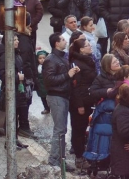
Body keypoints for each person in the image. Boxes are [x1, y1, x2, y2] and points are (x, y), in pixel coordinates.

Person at [42, 33, 78, 171]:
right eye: (62, 39)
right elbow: (49, 80)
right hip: (56, 97)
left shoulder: (61, 57)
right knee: (59, 130)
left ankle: (61, 160)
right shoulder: (51, 59)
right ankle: (54, 161)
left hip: (63, 96)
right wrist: (67, 75)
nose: (65, 41)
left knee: (62, 130)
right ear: (56, 43)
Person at [69, 36, 98, 169]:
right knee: (78, 130)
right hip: (80, 102)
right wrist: (79, 104)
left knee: (83, 128)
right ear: (81, 50)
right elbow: (76, 86)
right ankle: (79, 157)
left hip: (88, 99)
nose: (90, 46)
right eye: (87, 45)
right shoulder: (77, 64)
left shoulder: (88, 60)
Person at [36, 50, 51, 114]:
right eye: (40, 58)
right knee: (43, 97)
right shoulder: (37, 66)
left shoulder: (48, 66)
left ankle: (50, 107)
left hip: (47, 84)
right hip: (40, 85)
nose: (42, 60)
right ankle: (46, 108)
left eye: (43, 58)